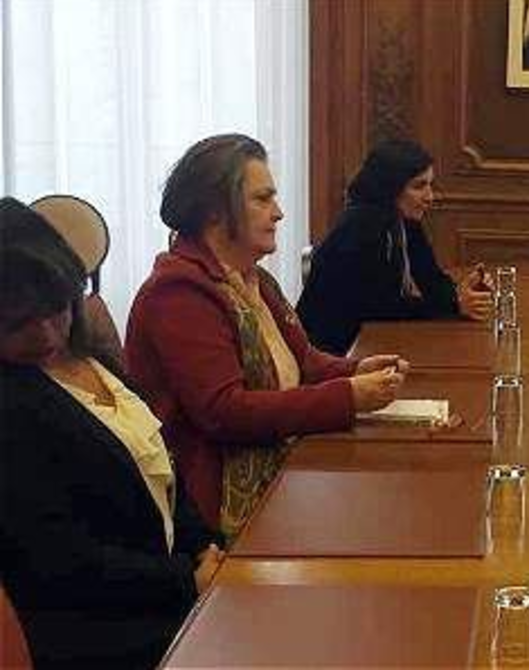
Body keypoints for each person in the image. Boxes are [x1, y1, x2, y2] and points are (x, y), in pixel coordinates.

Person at [125, 134, 406, 538]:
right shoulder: (178, 293)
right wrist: (348, 396)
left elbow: (302, 362)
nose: (278, 213)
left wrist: (357, 369)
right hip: (211, 507)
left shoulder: (253, 278)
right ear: (215, 210)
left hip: (286, 466)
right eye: (262, 199)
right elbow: (224, 412)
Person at [0, 198, 223, 669]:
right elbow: (59, 558)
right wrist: (186, 578)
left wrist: (205, 545)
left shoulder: (87, 357)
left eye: (56, 308)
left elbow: (159, 469)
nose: (46, 333)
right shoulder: (11, 404)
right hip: (105, 635)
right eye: (18, 325)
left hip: (169, 596)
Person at [297, 139, 494, 355]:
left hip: (372, 344)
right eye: (419, 186)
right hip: (331, 354)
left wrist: (460, 292)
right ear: (390, 187)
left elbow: (430, 279)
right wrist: (455, 305)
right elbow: (384, 309)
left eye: (430, 185)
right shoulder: (361, 229)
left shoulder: (404, 219)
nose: (430, 197)